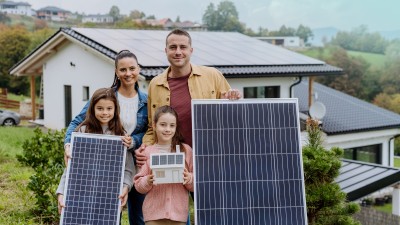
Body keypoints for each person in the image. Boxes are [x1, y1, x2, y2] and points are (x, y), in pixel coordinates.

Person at [64, 50, 148, 225]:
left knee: (140, 217)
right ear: (116, 72)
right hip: (108, 164)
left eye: (132, 68)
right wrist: (68, 144)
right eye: (123, 69)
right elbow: (76, 123)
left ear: (138, 69)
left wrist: (134, 141)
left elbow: (150, 131)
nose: (128, 73)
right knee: (109, 213)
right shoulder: (106, 97)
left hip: (137, 164)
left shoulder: (146, 101)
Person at [56, 88, 134, 214]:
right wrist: (61, 192)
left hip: (110, 196)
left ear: (115, 110)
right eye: (100, 108)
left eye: (109, 108)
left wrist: (125, 186)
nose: (105, 113)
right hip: (82, 193)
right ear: (92, 109)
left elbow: (128, 167)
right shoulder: (82, 132)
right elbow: (71, 168)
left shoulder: (121, 135)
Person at [134, 105, 193, 225]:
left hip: (178, 215)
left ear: (176, 127)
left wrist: (189, 178)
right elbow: (138, 185)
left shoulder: (186, 151)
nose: (167, 129)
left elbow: (197, 183)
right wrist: (148, 181)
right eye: (163, 124)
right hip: (153, 216)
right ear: (154, 126)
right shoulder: (147, 152)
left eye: (172, 125)